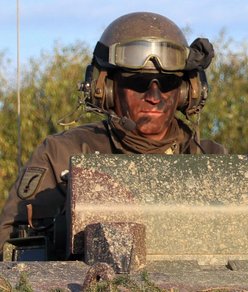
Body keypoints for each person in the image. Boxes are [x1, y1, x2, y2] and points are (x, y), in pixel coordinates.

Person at [0, 12, 226, 258]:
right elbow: (14, 253)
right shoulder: (63, 155)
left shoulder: (210, 160)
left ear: (187, 92)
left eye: (168, 83)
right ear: (105, 90)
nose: (154, 96)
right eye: (138, 82)